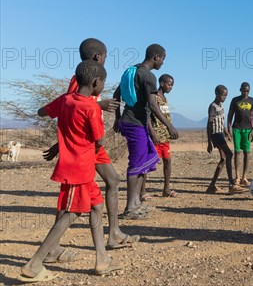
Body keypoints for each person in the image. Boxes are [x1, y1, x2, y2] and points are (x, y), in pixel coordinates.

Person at [19, 61, 121, 282]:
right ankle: (34, 264)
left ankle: (102, 259)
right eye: (102, 82)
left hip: (73, 166)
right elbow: (99, 139)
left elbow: (41, 111)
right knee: (70, 214)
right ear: (96, 82)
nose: (103, 85)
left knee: (97, 206)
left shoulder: (65, 100)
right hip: (80, 169)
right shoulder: (91, 108)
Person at [42, 38, 137, 254]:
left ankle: (113, 233)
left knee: (111, 180)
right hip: (87, 145)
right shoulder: (82, 80)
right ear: (98, 57)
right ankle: (53, 247)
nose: (105, 59)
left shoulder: (84, 76)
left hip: (89, 142)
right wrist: (99, 104)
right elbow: (73, 109)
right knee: (73, 195)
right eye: (105, 56)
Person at [114, 44, 178, 219]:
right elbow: (152, 105)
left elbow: (116, 93)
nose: (163, 62)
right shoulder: (148, 76)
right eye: (163, 58)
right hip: (136, 123)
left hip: (131, 121)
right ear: (156, 57)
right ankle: (130, 208)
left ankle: (136, 203)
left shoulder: (131, 71)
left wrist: (117, 118)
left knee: (148, 158)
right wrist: (169, 126)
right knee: (136, 164)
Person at [141, 74, 178, 199]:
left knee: (167, 160)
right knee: (148, 163)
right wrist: (153, 133)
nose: (171, 87)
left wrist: (170, 130)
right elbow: (147, 117)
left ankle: (166, 189)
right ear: (162, 83)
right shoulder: (153, 97)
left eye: (172, 85)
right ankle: (142, 192)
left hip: (165, 137)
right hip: (155, 137)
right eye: (169, 84)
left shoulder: (164, 99)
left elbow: (165, 117)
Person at [206, 85, 245, 194]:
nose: (224, 97)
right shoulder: (212, 107)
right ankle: (231, 184)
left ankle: (212, 186)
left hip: (220, 134)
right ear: (216, 94)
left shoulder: (221, 106)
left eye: (226, 95)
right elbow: (209, 124)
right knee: (230, 154)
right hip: (215, 135)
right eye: (222, 95)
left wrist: (226, 132)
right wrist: (209, 142)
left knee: (223, 159)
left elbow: (220, 121)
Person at [227, 82, 253, 187]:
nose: (245, 93)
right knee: (237, 152)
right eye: (244, 91)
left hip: (247, 129)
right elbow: (230, 115)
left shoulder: (252, 100)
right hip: (237, 129)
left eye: (247, 91)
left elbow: (252, 115)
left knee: (247, 153)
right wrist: (228, 128)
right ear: (240, 90)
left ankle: (244, 177)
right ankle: (237, 177)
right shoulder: (235, 100)